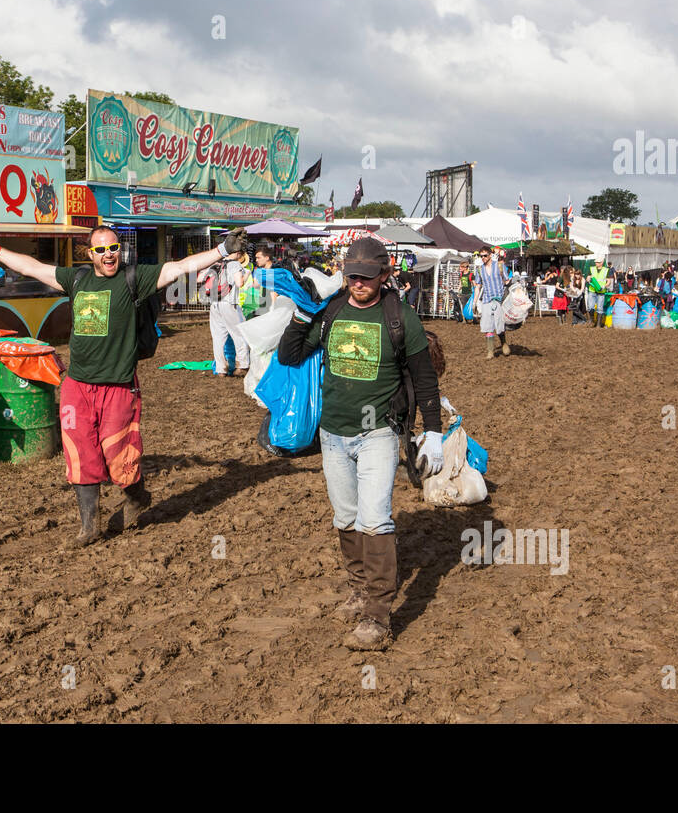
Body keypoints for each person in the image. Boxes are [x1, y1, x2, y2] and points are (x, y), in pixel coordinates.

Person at [0, 224, 246, 547]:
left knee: (119, 456)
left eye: (113, 248)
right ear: (90, 254)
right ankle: (89, 526)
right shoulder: (77, 280)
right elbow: (34, 267)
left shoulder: (134, 278)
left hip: (119, 386)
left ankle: (137, 498)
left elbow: (179, 267)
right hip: (77, 386)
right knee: (80, 453)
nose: (109, 255)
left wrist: (222, 250)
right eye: (101, 250)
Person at [278, 237, 443, 650]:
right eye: (352, 275)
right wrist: (302, 312)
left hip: (379, 434)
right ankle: (359, 588)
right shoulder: (331, 312)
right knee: (346, 518)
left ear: (385, 275)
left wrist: (435, 433)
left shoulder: (401, 318)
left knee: (376, 520)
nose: (358, 283)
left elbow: (425, 380)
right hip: (333, 434)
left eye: (367, 276)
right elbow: (289, 355)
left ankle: (377, 616)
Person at [206, 247, 251, 377]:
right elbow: (239, 283)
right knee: (239, 334)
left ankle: (221, 369)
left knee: (218, 338)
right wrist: (246, 274)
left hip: (214, 303)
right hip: (229, 303)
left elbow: (200, 280)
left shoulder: (216, 264)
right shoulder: (235, 264)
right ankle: (243, 366)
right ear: (238, 253)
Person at [472, 246, 511, 358]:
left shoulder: (499, 265)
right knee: (487, 325)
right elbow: (478, 287)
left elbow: (507, 281)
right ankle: (490, 350)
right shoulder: (479, 269)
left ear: (490, 255)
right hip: (486, 299)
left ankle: (503, 343)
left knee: (499, 324)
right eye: (481, 256)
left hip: (498, 299)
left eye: (485, 255)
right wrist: (474, 302)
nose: (483, 258)